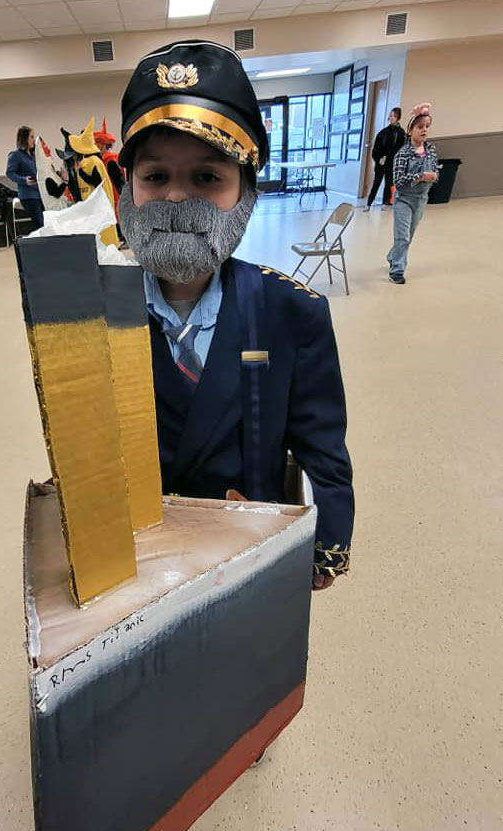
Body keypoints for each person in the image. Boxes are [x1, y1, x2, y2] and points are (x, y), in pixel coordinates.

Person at [117, 40, 354, 590]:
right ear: (126, 189)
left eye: (207, 178)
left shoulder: (291, 312)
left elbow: (322, 446)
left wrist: (324, 547)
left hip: (251, 554)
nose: (177, 198)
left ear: (247, 192)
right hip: (137, 561)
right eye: (155, 177)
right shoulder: (93, 316)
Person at [387, 103, 439, 285]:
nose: (424, 130)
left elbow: (436, 171)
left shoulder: (431, 150)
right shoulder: (403, 154)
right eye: (420, 127)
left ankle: (392, 256)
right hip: (404, 200)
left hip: (421, 199)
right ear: (410, 131)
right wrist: (420, 176)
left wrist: (434, 176)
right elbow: (398, 182)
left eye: (426, 127)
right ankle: (397, 270)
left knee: (409, 235)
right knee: (402, 236)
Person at [67, 118, 119, 245]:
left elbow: (97, 181)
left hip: (97, 206)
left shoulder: (91, 162)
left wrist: (81, 172)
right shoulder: (94, 161)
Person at [364, 107, 405, 211]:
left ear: (398, 118)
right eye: (390, 116)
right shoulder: (383, 132)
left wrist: (394, 160)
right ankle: (368, 204)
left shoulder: (401, 133)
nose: (392, 118)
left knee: (389, 183)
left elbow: (400, 149)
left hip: (391, 163)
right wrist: (378, 159)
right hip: (381, 163)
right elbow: (376, 149)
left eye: (394, 116)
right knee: (376, 183)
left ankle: (385, 203)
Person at [6, 126, 44, 231]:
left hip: (39, 194)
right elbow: (10, 173)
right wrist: (24, 180)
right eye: (31, 137)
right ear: (24, 139)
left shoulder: (33, 155)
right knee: (39, 224)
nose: (34, 140)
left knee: (45, 222)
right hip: (28, 195)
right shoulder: (15, 155)